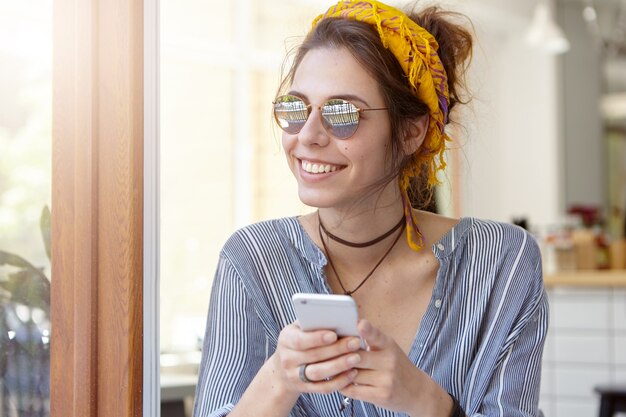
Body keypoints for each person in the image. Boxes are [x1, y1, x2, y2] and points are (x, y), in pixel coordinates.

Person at [192, 1, 549, 416]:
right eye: (295, 108)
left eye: (341, 113)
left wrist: (424, 399)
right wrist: (281, 378)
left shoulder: (501, 263)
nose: (307, 136)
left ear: (412, 132)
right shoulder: (251, 259)